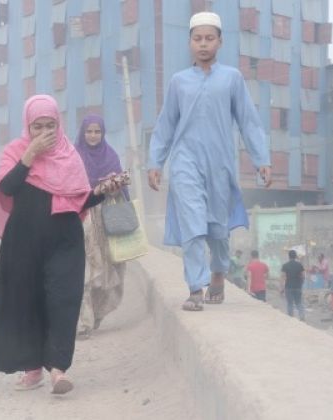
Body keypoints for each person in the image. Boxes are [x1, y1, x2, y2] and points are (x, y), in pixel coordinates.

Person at [0, 95, 123, 395]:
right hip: (23, 243)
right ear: (27, 126)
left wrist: (103, 190)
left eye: (51, 125)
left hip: (65, 240)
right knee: (28, 303)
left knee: (64, 300)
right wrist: (30, 154)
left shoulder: (69, 155)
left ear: (59, 125)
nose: (45, 133)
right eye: (38, 126)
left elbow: (81, 199)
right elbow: (7, 187)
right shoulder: (14, 152)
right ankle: (33, 369)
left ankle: (58, 369)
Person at [146, 11, 272, 311]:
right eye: (197, 38)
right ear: (190, 42)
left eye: (209, 38)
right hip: (185, 162)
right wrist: (155, 162)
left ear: (220, 41)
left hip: (220, 165)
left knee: (218, 228)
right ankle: (195, 288)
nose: (203, 44)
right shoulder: (179, 82)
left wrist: (261, 158)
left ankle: (218, 271)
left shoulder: (232, 78)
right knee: (192, 225)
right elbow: (166, 125)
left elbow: (248, 122)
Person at [73, 115, 128, 338]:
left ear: (103, 133)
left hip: (107, 221)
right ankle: (83, 322)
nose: (93, 136)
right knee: (85, 269)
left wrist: (113, 186)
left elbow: (121, 192)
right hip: (83, 218)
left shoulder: (111, 156)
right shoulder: (73, 156)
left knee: (108, 271)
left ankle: (96, 315)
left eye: (97, 132)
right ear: (82, 133)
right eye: (89, 131)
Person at [280, 250, 306, 321]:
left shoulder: (285, 265)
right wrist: (301, 283)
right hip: (298, 287)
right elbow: (303, 276)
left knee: (290, 303)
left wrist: (282, 288)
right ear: (295, 256)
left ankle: (290, 318)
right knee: (299, 302)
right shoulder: (299, 265)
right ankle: (302, 316)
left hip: (288, 287)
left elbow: (283, 277)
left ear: (289, 256)